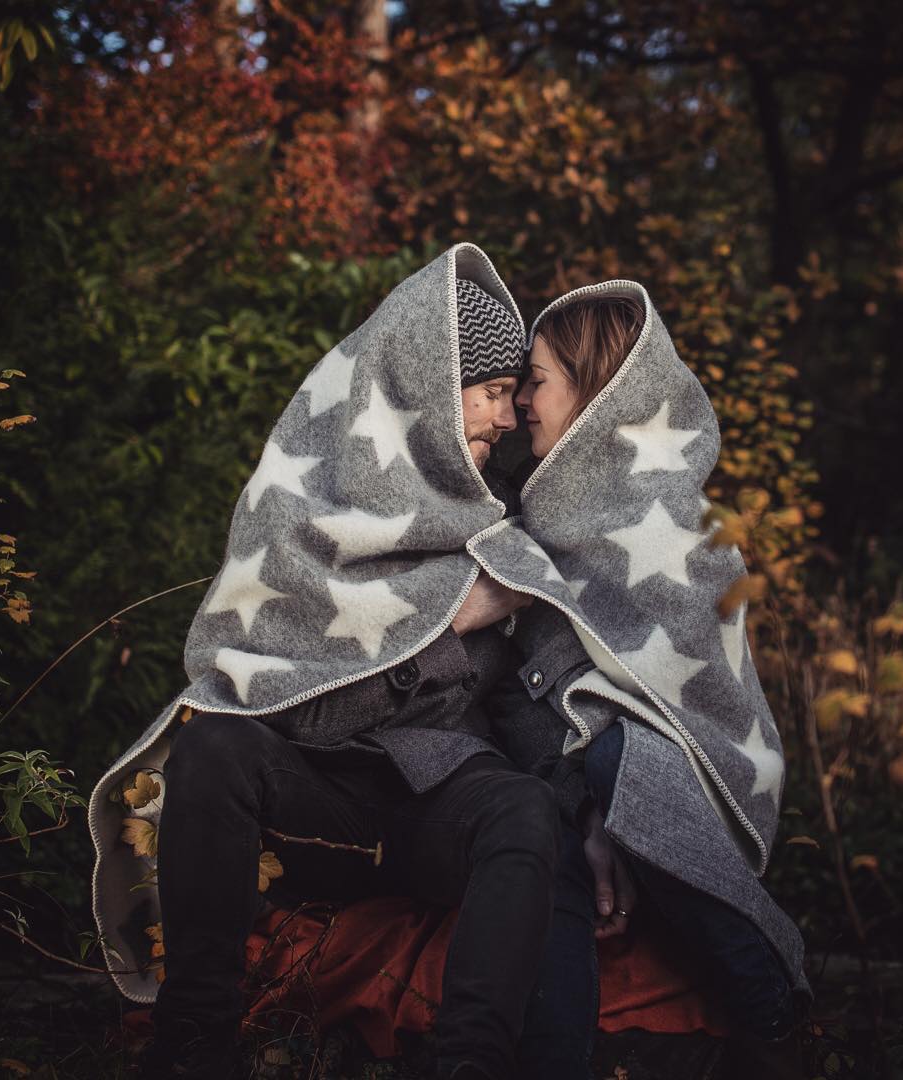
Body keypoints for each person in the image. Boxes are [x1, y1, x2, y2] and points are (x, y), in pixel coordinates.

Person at [88, 244, 573, 1080]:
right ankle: (193, 1047)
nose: (506, 417)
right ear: (425, 391)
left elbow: (537, 704)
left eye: (511, 396)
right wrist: (451, 624)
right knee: (215, 740)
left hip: (441, 804)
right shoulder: (307, 514)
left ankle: (472, 1065)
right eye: (492, 393)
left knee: (526, 808)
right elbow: (294, 706)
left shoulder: (505, 527)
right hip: (319, 800)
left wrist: (591, 817)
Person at [478, 285, 812, 1080]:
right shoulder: (531, 525)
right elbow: (520, 696)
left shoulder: (678, 525)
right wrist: (586, 810)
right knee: (547, 826)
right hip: (571, 782)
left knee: (627, 764)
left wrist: (609, 790)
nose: (521, 400)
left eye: (538, 379)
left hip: (697, 773)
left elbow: (690, 701)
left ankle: (770, 1003)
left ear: (593, 396)